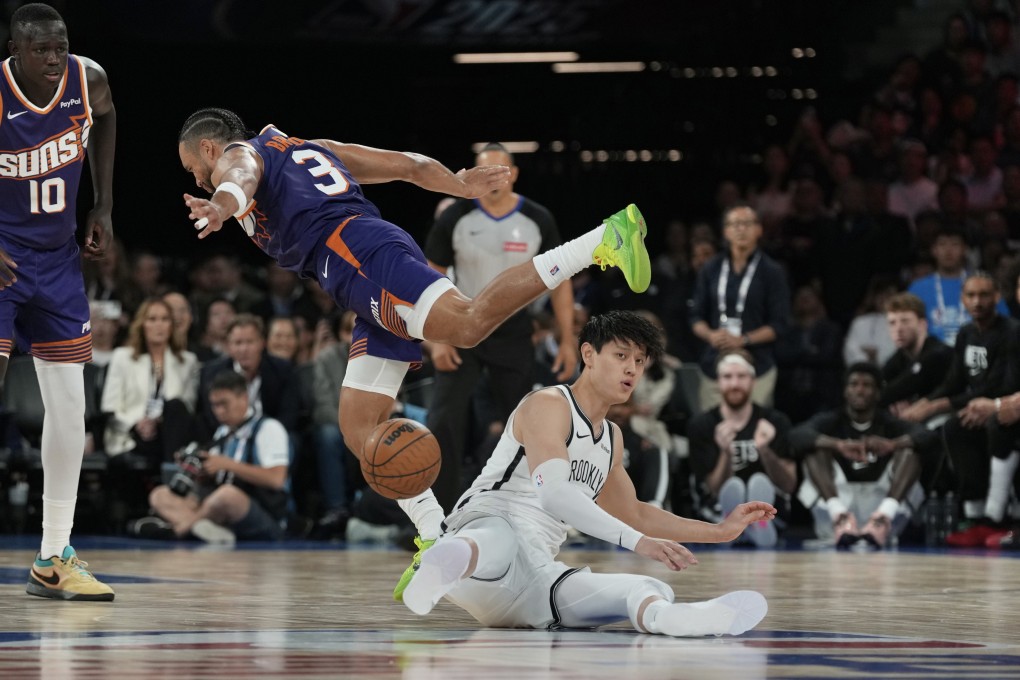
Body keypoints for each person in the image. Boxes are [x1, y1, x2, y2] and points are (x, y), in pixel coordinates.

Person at [177, 108, 650, 585]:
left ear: (210, 148)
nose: (196, 179)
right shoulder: (305, 146)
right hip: (355, 269)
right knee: (358, 427)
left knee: (467, 325)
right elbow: (408, 165)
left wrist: (220, 205)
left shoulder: (240, 158)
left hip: (358, 254)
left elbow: (238, 175)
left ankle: (600, 240)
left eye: (193, 167)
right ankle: (434, 536)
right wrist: (459, 186)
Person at [400, 311, 774, 638]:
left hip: (533, 581)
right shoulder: (548, 404)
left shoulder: (612, 438)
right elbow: (553, 494)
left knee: (643, 587)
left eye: (640, 361)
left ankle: (675, 618)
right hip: (485, 543)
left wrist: (720, 532)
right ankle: (442, 559)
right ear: (589, 355)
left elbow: (636, 513)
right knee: (499, 540)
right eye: (622, 355)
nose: (632, 368)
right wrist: (638, 543)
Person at [2, 3, 116, 601]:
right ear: (15, 50)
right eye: (40, 49)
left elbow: (109, 116)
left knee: (70, 409)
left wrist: (103, 205)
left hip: (57, 262)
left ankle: (53, 554)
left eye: (60, 46)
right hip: (2, 258)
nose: (54, 58)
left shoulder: (86, 78)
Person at [422, 142, 578, 511]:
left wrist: (567, 340)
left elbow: (562, 281)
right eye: (484, 171)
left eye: (500, 171)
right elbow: (429, 277)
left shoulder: (538, 219)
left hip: (512, 330)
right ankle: (439, 515)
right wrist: (436, 339)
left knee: (525, 421)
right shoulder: (455, 217)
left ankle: (529, 509)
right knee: (444, 418)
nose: (492, 178)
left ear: (514, 174)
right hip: (459, 325)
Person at [900, 272, 1020, 534]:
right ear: (962, 300)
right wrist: (925, 403)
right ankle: (973, 514)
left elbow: (1003, 385)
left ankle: (996, 515)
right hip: (980, 404)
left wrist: (939, 406)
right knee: (955, 428)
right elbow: (954, 381)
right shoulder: (966, 334)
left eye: (984, 295)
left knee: (996, 423)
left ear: (997, 297)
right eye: (971, 295)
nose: (977, 302)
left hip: (1004, 405)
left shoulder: (1011, 331)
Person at [792, 363, 930, 549]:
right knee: (815, 446)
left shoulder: (889, 423)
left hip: (881, 507)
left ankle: (882, 518)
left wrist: (892, 445)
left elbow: (928, 437)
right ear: (845, 391)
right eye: (854, 384)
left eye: (867, 385)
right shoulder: (832, 420)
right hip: (840, 506)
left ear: (878, 393)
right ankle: (839, 515)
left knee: (910, 449)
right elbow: (795, 436)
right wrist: (838, 445)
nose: (860, 390)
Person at [145, 370, 290, 544]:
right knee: (160, 494)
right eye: (214, 405)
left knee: (227, 495)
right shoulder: (222, 432)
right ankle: (207, 530)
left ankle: (180, 529)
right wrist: (199, 472)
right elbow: (215, 479)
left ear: (244, 398)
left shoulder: (269, 428)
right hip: (219, 511)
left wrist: (229, 465)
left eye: (224, 404)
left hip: (260, 512)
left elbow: (276, 480)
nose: (219, 411)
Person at [685, 350, 797, 548]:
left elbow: (788, 485)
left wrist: (765, 450)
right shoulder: (701, 425)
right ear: (718, 382)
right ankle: (736, 520)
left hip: (770, 505)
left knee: (765, 490)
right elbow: (713, 488)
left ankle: (753, 522)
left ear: (753, 381)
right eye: (727, 377)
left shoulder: (775, 421)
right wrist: (726, 453)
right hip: (718, 504)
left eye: (741, 376)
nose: (735, 384)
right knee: (726, 493)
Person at [690, 205, 791, 412]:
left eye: (747, 224)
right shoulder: (711, 268)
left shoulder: (772, 271)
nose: (741, 229)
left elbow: (779, 324)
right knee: (712, 431)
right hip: (715, 365)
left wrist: (743, 339)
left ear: (759, 230)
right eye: (735, 224)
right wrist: (711, 335)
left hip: (758, 367)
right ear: (725, 231)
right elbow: (695, 316)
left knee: (752, 434)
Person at [195, 313, 299, 438]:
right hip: (228, 436)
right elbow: (211, 416)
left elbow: (289, 413)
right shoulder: (212, 373)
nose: (244, 349)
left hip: (271, 436)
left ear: (262, 343)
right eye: (238, 343)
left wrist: (267, 436)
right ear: (229, 346)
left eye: (250, 342)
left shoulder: (282, 369)